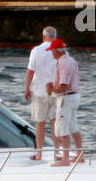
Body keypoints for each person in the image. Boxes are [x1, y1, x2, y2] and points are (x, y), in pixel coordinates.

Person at [24, 26, 58, 160]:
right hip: (56, 91)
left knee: (40, 123)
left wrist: (27, 88)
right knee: (56, 123)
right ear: (55, 37)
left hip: (39, 90)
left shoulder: (36, 51)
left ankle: (39, 153)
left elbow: (30, 71)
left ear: (44, 37)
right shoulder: (61, 51)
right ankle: (57, 153)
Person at [48, 39, 82, 166]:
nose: (51, 53)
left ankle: (65, 159)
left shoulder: (63, 63)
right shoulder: (71, 60)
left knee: (62, 128)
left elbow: (64, 86)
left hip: (66, 98)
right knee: (73, 126)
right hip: (74, 96)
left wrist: (52, 89)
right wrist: (55, 87)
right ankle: (80, 155)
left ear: (56, 51)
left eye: (52, 50)